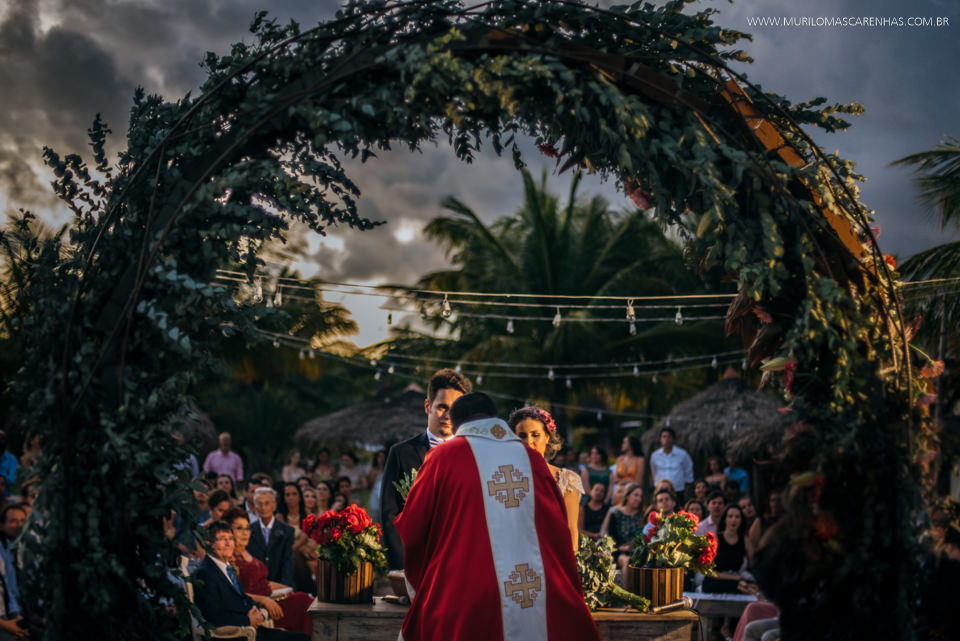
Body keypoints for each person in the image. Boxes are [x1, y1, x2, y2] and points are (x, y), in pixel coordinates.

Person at [395, 392, 601, 641]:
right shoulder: (532, 460)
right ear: (494, 418)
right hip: (528, 588)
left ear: (458, 424)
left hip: (465, 589)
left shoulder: (442, 457)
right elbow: (558, 531)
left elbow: (414, 526)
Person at [380, 368, 471, 570]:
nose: (448, 415)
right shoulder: (401, 454)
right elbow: (389, 514)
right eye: (442, 407)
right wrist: (402, 567)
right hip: (416, 564)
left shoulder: (474, 456)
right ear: (427, 406)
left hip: (461, 564)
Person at [191, 520, 309, 641]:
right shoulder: (205, 573)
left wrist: (255, 612)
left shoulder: (227, 567)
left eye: (231, 538)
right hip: (235, 635)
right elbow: (212, 616)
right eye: (222, 539)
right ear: (209, 544)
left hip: (252, 629)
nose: (228, 543)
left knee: (304, 637)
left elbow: (242, 597)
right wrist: (247, 620)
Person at [224, 508, 313, 635]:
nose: (245, 533)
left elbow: (264, 583)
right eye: (239, 528)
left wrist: (286, 588)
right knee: (304, 602)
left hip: (272, 600)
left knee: (305, 599)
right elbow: (236, 593)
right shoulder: (230, 557)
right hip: (260, 609)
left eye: (247, 528)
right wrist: (264, 600)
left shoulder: (247, 551)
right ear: (229, 531)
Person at [508, 406, 583, 549]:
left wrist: (571, 567)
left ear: (547, 437)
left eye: (535, 435)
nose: (528, 442)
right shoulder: (503, 478)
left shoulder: (566, 479)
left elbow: (571, 530)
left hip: (552, 557)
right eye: (522, 435)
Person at [247, 487, 296, 587]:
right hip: (256, 586)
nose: (263, 508)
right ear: (255, 507)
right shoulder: (248, 530)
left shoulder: (287, 531)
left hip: (281, 585)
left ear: (274, 506)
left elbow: (287, 563)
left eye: (267, 503)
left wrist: (283, 588)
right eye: (259, 503)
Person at [604, 482, 645, 575]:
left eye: (641, 496)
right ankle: (627, 589)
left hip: (638, 551)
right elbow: (611, 537)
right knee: (627, 561)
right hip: (620, 552)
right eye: (636, 495)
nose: (639, 499)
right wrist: (621, 547)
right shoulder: (615, 513)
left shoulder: (642, 515)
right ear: (627, 495)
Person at [649, 427, 694, 504]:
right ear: (660, 439)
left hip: (678, 492)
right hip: (660, 492)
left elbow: (688, 474)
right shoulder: (655, 455)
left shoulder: (683, 454)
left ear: (673, 439)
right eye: (664, 436)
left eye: (669, 436)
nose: (666, 439)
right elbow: (654, 472)